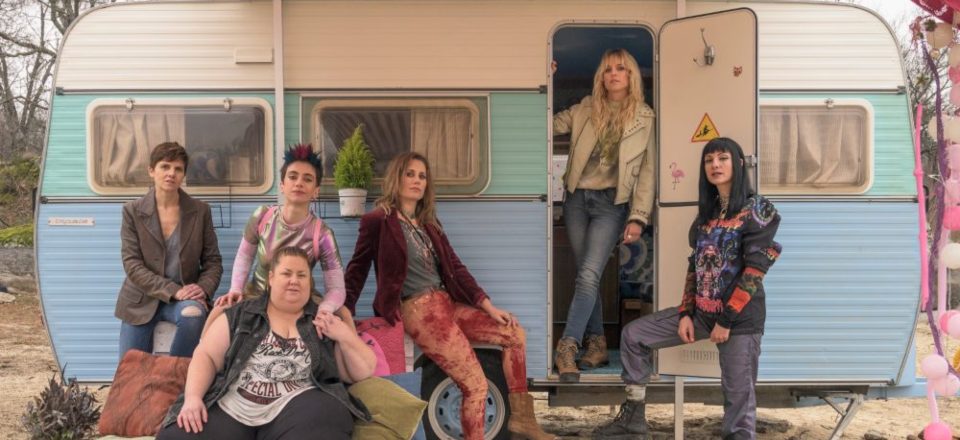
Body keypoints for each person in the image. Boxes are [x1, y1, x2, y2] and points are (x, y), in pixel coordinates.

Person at [343, 152, 555, 440]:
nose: (417, 181)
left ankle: (521, 418)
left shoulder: (429, 224)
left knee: (514, 333)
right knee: (476, 386)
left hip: (446, 304)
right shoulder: (378, 220)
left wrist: (488, 306)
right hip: (419, 311)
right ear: (396, 178)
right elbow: (357, 268)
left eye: (422, 176)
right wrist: (345, 310)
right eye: (410, 174)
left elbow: (456, 267)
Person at [595, 137, 782, 440]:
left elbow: (754, 272)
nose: (715, 165)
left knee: (738, 401)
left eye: (722, 158)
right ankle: (633, 419)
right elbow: (694, 267)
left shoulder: (758, 209)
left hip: (740, 321)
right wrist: (685, 313)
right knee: (634, 335)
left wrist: (726, 321)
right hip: (702, 314)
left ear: (738, 164)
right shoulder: (707, 213)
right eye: (709, 160)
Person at [157, 247, 374, 439]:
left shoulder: (323, 320)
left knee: (328, 413)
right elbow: (206, 356)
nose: (294, 280)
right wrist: (193, 398)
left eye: (302, 275)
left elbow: (362, 371)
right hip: (234, 406)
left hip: (298, 409)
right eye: (286, 273)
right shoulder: (241, 314)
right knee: (178, 434)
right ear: (271, 277)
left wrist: (345, 335)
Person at [552, 48, 656, 382]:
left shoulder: (644, 118)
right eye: (608, 69)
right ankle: (597, 344)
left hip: (611, 204)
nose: (613, 74)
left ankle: (567, 346)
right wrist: (543, 80)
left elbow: (648, 172)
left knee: (587, 275)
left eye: (621, 69)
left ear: (631, 76)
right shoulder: (585, 108)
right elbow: (548, 125)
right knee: (588, 275)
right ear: (601, 76)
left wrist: (638, 216)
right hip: (576, 200)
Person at [211, 143, 346, 321]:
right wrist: (235, 289)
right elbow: (244, 257)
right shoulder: (262, 216)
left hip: (299, 302)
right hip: (257, 297)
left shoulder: (322, 234)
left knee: (344, 316)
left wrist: (326, 308)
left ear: (316, 191)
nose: (299, 183)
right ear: (282, 185)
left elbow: (336, 288)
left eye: (307, 179)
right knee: (217, 314)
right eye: (293, 177)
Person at [116, 141, 223, 358]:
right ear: (151, 170)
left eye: (178, 169)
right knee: (131, 369)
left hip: (184, 300)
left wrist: (202, 289)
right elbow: (132, 264)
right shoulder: (132, 211)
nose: (171, 173)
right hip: (140, 301)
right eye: (165, 166)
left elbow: (213, 261)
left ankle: (176, 373)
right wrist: (173, 290)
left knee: (193, 314)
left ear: (183, 175)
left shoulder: (200, 211)